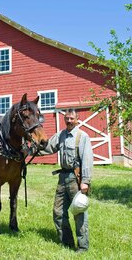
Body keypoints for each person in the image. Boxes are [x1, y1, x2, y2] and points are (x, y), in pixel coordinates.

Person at [38, 108, 93, 252]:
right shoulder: (61, 135)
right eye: (66, 118)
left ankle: (82, 247)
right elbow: (48, 147)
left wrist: (85, 181)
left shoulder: (82, 136)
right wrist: (30, 150)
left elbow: (87, 159)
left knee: (79, 213)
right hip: (62, 178)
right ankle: (67, 243)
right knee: (58, 212)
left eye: (71, 118)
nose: (68, 121)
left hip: (76, 178)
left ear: (77, 119)